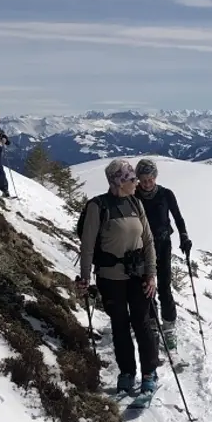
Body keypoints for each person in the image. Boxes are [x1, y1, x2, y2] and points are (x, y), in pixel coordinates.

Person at [76, 159, 161, 395]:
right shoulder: (98, 206)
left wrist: (151, 274)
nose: (136, 183)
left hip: (138, 276)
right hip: (110, 277)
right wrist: (85, 278)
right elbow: (88, 246)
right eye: (131, 179)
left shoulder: (136, 203)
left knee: (142, 324)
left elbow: (148, 241)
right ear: (118, 181)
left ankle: (148, 372)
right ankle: (127, 372)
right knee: (120, 325)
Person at [134, 158, 191, 350]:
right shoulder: (133, 196)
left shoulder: (166, 194)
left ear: (155, 177)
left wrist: (184, 236)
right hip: (141, 247)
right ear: (138, 179)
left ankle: (168, 327)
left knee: (165, 286)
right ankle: (153, 324)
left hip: (164, 244)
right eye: (143, 180)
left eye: (150, 179)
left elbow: (177, 217)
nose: (147, 183)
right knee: (147, 286)